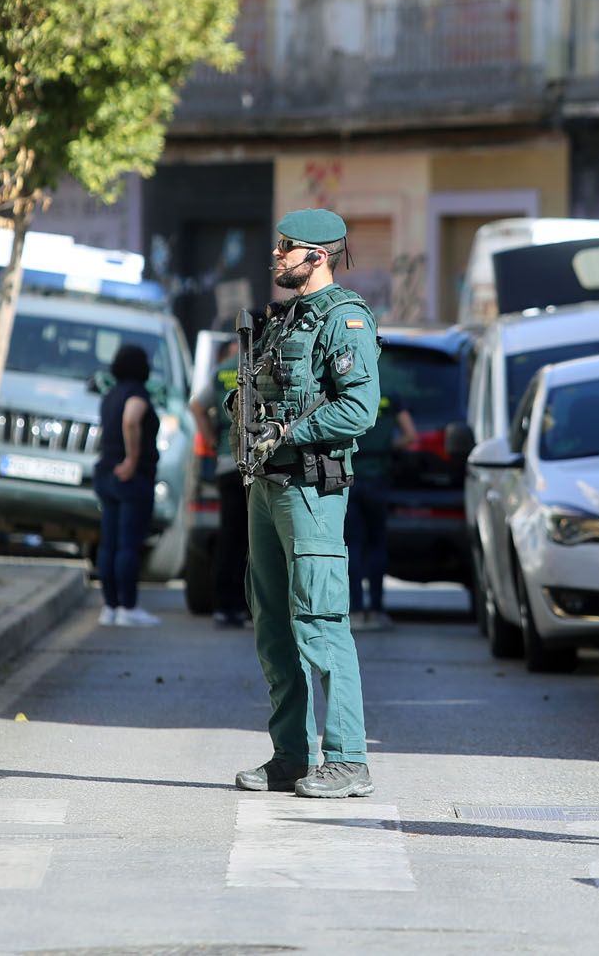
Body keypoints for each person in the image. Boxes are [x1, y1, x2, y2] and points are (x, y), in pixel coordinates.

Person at [233, 209, 381, 800]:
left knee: (319, 623)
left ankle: (347, 759)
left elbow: (359, 409)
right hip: (267, 489)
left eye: (286, 248)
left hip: (311, 490)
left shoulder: (344, 320)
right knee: (272, 627)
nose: (276, 256)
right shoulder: (284, 320)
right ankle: (290, 756)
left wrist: (287, 433)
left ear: (318, 255)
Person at [96, 344, 162, 627]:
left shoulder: (110, 394)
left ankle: (110, 606)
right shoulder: (137, 393)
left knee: (108, 544)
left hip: (106, 473)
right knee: (128, 545)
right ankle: (128, 607)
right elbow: (131, 420)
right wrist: (133, 459)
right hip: (131, 478)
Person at [190, 337, 250, 628]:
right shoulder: (259, 367)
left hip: (227, 462)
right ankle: (246, 606)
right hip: (255, 465)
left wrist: (213, 440)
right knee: (254, 540)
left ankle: (223, 606)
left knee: (228, 536)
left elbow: (197, 406)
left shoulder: (221, 371)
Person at [346, 405, 415, 631]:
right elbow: (410, 435)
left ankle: (355, 609)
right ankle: (376, 609)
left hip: (350, 477)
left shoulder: (348, 387)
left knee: (352, 546)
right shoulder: (389, 395)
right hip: (378, 480)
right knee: (376, 545)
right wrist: (386, 446)